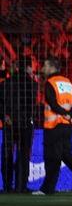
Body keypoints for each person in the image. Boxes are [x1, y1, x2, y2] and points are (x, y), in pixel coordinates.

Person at [33, 57, 72, 195]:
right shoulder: (67, 82)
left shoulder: (50, 83)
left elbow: (52, 103)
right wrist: (70, 115)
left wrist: (65, 114)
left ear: (52, 67)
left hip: (53, 126)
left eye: (45, 65)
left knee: (51, 158)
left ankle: (47, 189)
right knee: (65, 155)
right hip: (67, 127)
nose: (43, 68)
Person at [0, 57, 38, 193]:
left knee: (7, 154)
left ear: (16, 67)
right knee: (23, 155)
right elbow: (32, 106)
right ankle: (21, 186)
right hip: (25, 124)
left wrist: (4, 116)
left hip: (9, 123)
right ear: (28, 67)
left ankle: (7, 186)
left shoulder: (5, 84)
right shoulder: (33, 84)